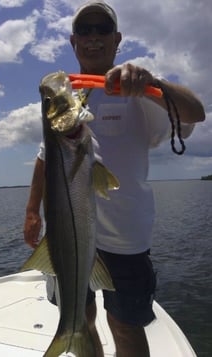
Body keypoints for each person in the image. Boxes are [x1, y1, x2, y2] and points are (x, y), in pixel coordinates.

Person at [24, 1, 205, 356]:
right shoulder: (69, 99)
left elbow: (195, 113)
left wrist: (152, 82)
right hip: (66, 237)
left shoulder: (140, 94)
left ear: (116, 39)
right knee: (81, 315)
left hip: (126, 240)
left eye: (102, 30)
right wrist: (32, 211)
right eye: (85, 32)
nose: (93, 38)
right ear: (74, 42)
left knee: (125, 326)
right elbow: (46, 157)